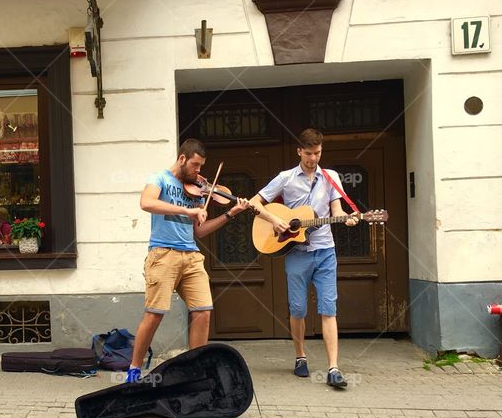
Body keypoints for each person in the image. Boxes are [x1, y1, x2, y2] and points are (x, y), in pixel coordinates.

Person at [125, 139, 251, 383]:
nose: (199, 172)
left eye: (202, 167)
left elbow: (200, 232)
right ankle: (134, 369)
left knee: (203, 311)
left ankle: (195, 371)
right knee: (155, 313)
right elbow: (146, 203)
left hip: (192, 256)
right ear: (182, 159)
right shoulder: (159, 179)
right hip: (163, 254)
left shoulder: (198, 190)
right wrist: (187, 210)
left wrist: (229, 214)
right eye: (195, 165)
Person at [250, 128, 358, 389]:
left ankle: (333, 368)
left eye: (318, 153)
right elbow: (254, 203)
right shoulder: (285, 178)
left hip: (325, 251)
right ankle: (301, 357)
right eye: (309, 153)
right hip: (297, 253)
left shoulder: (330, 177)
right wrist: (274, 219)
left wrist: (348, 218)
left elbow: (337, 209)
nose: (313, 158)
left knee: (328, 307)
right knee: (298, 308)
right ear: (299, 151)